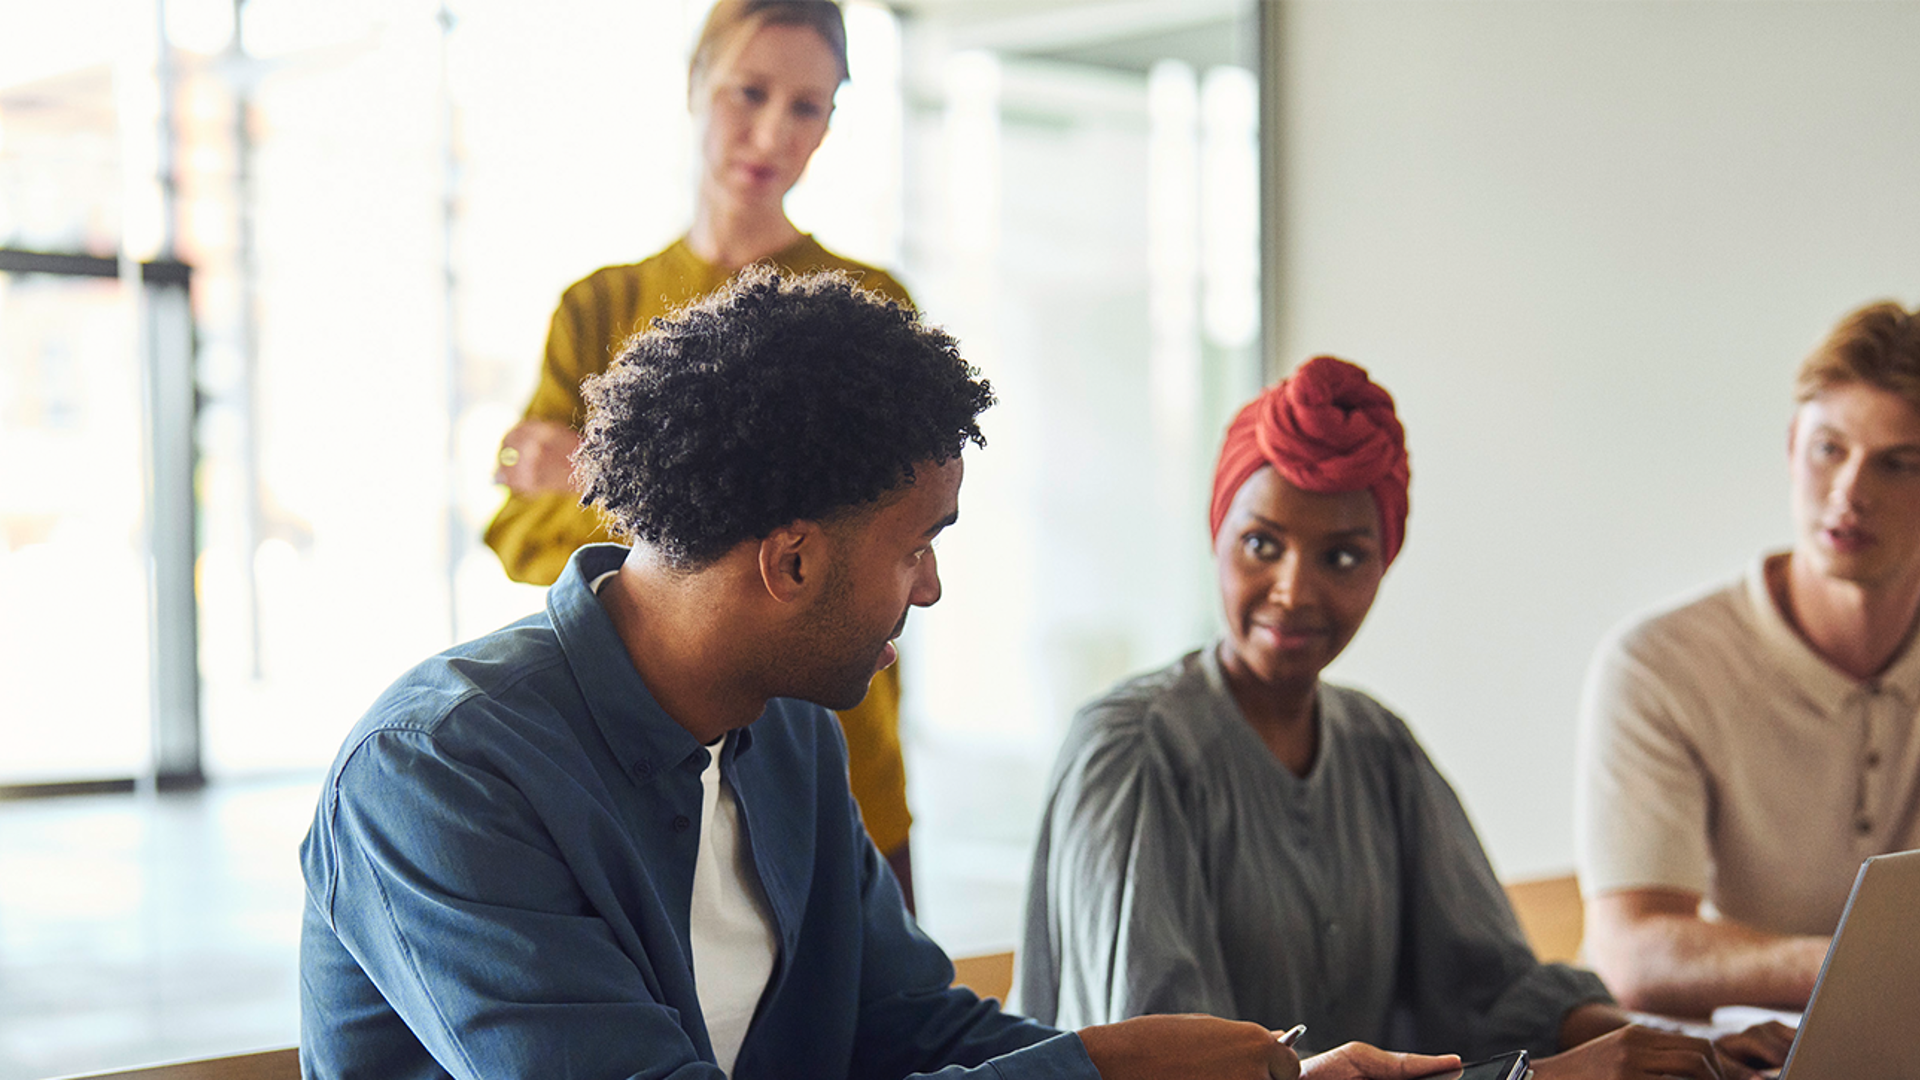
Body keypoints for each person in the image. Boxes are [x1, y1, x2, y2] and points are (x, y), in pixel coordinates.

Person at [300, 270, 1458, 1080]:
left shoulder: (788, 735)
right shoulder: (438, 775)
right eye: (918, 545)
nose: (932, 589)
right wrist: (1100, 1065)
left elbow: (908, 1026)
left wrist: (1257, 1073)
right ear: (792, 561)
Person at [1020, 357, 1791, 1080]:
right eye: (1262, 544)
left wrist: (1694, 1050)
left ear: (1384, 563)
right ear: (1215, 531)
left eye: (1343, 557)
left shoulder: (1377, 745)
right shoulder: (1128, 752)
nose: (1294, 590)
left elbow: (1490, 993)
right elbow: (1165, 1063)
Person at [484, 0, 918, 906]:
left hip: (844, 749)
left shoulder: (867, 305)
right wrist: (753, 506)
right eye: (748, 92)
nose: (770, 132)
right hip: (653, 759)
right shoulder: (596, 308)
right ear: (694, 89)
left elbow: (877, 537)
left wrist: (598, 471)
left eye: (807, 107)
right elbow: (521, 534)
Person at [1576, 299, 1920, 1017]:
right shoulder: (1657, 666)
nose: (1850, 492)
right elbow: (1631, 952)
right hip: (1729, 1058)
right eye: (1830, 449)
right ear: (1793, 445)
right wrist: (1859, 970)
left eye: (1898, 464)